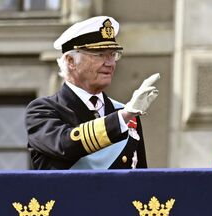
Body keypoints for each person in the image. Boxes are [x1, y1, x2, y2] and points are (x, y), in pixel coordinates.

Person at [26, 16, 161, 170]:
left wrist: (125, 114)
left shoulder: (124, 112)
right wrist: (123, 117)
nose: (110, 63)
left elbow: (140, 175)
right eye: (100, 54)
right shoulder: (42, 110)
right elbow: (65, 145)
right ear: (71, 61)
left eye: (113, 54)